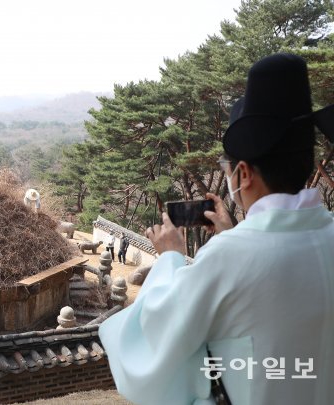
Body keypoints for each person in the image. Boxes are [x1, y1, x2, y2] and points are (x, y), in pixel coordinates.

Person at [99, 53, 334, 405]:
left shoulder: (228, 258)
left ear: (243, 173)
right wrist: (230, 233)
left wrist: (170, 259)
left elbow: (157, 340)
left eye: (226, 167)